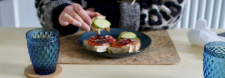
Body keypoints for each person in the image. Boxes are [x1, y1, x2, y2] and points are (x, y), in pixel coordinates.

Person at [35, 0, 187, 35]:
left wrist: (103, 12)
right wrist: (60, 12)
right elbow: (44, 4)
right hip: (72, 40)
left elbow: (169, 12)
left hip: (149, 43)